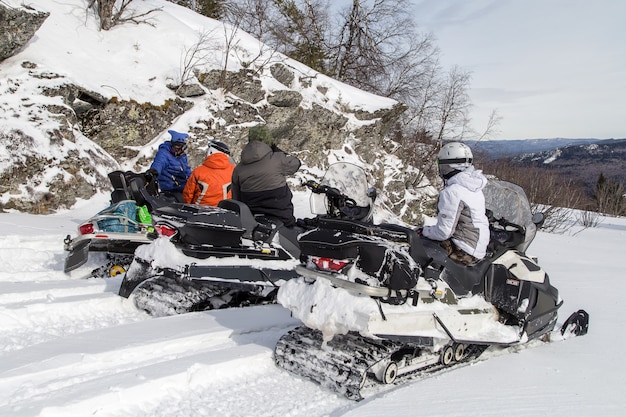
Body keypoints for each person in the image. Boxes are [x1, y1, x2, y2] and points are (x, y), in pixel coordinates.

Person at [421, 142, 490, 265]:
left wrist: (423, 231)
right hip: (477, 248)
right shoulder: (473, 186)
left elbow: (444, 232)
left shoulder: (452, 191)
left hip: (463, 251)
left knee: (416, 245)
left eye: (440, 164)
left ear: (448, 166)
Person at [231, 125, 301, 227]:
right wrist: (275, 149)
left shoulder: (239, 169)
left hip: (253, 222)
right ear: (269, 139)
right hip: (283, 220)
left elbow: (237, 199)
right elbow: (296, 164)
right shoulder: (278, 159)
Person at [182, 140, 235, 206]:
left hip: (200, 210)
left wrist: (188, 206)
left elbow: (188, 194)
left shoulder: (198, 171)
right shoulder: (233, 170)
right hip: (224, 210)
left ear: (210, 152)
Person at [148, 130, 192, 203]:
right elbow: (159, 163)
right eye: (177, 146)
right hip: (171, 189)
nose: (180, 150)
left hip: (183, 187)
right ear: (172, 144)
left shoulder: (182, 156)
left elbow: (187, 170)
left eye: (182, 147)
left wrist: (194, 178)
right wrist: (154, 171)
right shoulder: (164, 153)